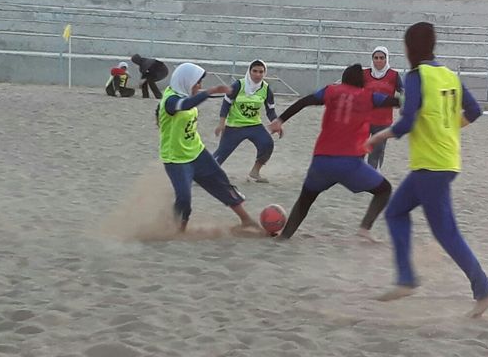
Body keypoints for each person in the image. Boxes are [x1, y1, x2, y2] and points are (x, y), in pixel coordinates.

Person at [365, 22, 488, 318]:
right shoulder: (448, 74)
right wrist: (449, 129)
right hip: (444, 161)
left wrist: (378, 136)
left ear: (411, 47)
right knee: (396, 212)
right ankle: (406, 278)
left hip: (431, 166)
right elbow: (474, 111)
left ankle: (484, 289)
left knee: (446, 233)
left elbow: (407, 122)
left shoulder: (416, 76)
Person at [268, 64, 399, 241]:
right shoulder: (368, 96)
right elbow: (395, 102)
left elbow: (305, 101)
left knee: (305, 200)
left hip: (321, 161)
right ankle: (364, 228)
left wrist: (280, 120)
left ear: (344, 78)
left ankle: (284, 236)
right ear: (361, 81)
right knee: (384, 190)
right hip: (350, 164)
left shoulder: (331, 91)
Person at [156, 62, 260, 233]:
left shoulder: (184, 93)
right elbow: (185, 105)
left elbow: (190, 102)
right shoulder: (171, 99)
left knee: (222, 183)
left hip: (197, 152)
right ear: (186, 81)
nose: (200, 86)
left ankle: (246, 220)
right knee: (184, 199)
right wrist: (210, 92)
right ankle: (177, 231)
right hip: (176, 159)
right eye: (197, 82)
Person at [213, 60, 279, 183]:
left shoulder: (266, 89)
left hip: (254, 125)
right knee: (221, 153)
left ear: (265, 73)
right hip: (234, 126)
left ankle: (255, 172)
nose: (258, 74)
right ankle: (202, 174)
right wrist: (221, 123)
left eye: (261, 72)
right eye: (255, 71)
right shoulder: (238, 85)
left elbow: (270, 110)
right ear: (249, 71)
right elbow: (226, 104)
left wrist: (276, 122)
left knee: (267, 144)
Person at [364, 46, 403, 169]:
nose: (379, 61)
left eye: (382, 58)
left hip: (383, 121)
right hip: (363, 119)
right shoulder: (363, 74)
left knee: (377, 151)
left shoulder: (394, 75)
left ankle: (373, 176)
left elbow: (404, 92)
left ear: (387, 59)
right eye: (376, 58)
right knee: (359, 149)